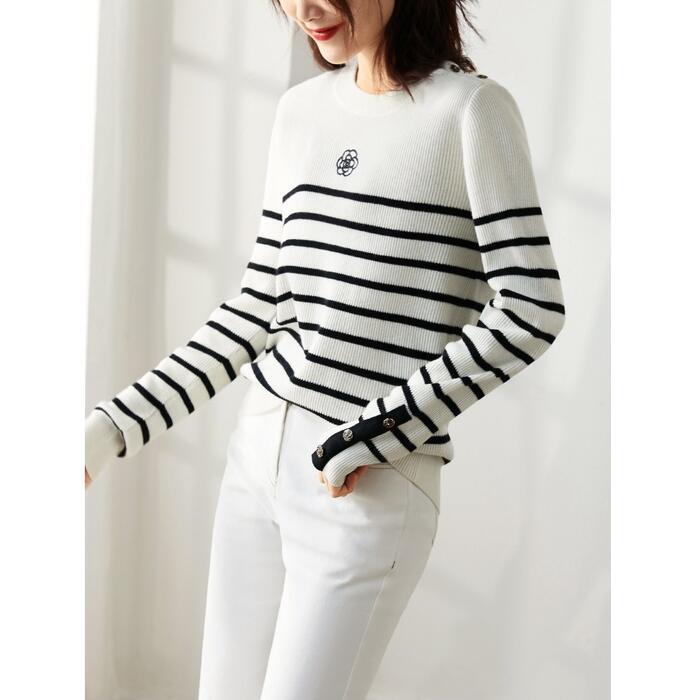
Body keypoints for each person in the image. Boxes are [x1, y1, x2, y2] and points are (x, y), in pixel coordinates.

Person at [85, 0, 566, 697]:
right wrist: (107, 430)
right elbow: (258, 306)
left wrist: (372, 434)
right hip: (255, 467)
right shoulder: (301, 112)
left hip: (366, 488)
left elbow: (531, 307)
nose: (303, 8)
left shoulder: (470, 112)